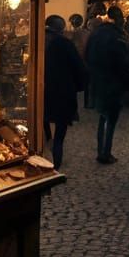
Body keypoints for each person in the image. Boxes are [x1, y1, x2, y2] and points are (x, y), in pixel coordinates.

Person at [86, 6, 129, 164]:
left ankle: (102, 150)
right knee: (110, 118)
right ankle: (105, 153)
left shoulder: (96, 34)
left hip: (98, 80)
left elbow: (87, 55)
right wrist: (128, 83)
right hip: (113, 82)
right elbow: (123, 62)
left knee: (103, 116)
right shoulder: (117, 36)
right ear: (118, 18)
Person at [43, 15, 88, 168]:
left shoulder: (37, 40)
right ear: (61, 28)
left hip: (41, 91)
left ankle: (44, 150)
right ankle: (56, 161)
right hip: (62, 92)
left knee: (44, 122)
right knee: (60, 132)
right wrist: (79, 86)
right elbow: (78, 68)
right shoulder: (64, 43)